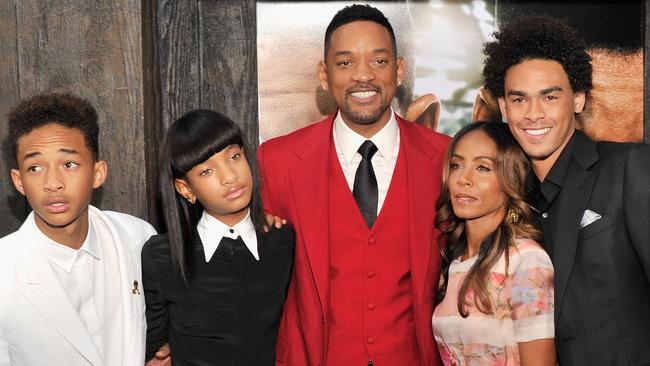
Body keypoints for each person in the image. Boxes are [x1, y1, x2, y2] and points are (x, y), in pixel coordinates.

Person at [258, 4, 450, 366]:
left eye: (378, 61)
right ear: (323, 73)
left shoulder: (444, 157)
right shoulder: (277, 161)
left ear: (400, 70)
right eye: (345, 62)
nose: (363, 76)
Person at [483, 15, 650, 365]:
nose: (533, 114)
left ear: (577, 99)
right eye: (519, 100)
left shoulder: (629, 167)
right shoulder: (508, 199)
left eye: (549, 97)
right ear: (502, 108)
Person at [0, 93, 158, 366]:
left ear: (98, 173)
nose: (53, 183)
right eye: (35, 168)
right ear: (19, 181)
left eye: (69, 164)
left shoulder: (136, 238)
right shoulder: (4, 270)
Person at [141, 109, 294, 365]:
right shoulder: (162, 256)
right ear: (185, 188)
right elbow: (154, 348)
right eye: (206, 171)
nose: (230, 177)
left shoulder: (281, 241)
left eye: (234, 157)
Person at [432, 122, 555, 365]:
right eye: (457, 165)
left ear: (510, 178)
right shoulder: (453, 263)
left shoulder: (526, 260)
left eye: (482, 168)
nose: (463, 179)